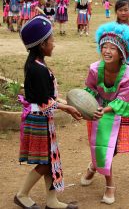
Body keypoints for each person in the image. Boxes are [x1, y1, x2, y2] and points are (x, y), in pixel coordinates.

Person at [15, 15, 82, 209]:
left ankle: (52, 201)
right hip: (39, 120)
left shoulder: (37, 66)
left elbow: (46, 97)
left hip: (42, 119)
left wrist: (66, 102)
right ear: (42, 45)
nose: (54, 43)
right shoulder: (38, 70)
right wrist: (67, 108)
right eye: (51, 40)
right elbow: (45, 103)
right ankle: (22, 194)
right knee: (45, 162)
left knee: (51, 160)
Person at [80, 22, 129, 205]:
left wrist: (106, 109)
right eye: (104, 46)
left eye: (112, 48)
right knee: (102, 145)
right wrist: (84, 105)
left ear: (122, 53)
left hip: (118, 111)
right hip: (98, 110)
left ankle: (94, 165)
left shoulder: (128, 74)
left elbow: (123, 99)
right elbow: (90, 90)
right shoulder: (94, 69)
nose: (107, 51)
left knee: (112, 148)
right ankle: (110, 185)